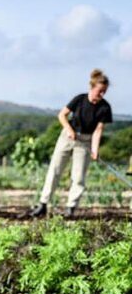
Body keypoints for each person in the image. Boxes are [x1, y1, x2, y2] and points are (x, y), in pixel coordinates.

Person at [30, 69, 112, 218]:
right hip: (67, 137)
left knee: (79, 176)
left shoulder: (105, 108)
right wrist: (68, 129)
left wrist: (95, 149)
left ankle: (70, 208)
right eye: (100, 91)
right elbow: (62, 115)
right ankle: (42, 204)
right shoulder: (79, 99)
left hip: (85, 141)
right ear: (92, 87)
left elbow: (98, 130)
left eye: (104, 92)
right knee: (54, 170)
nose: (102, 95)